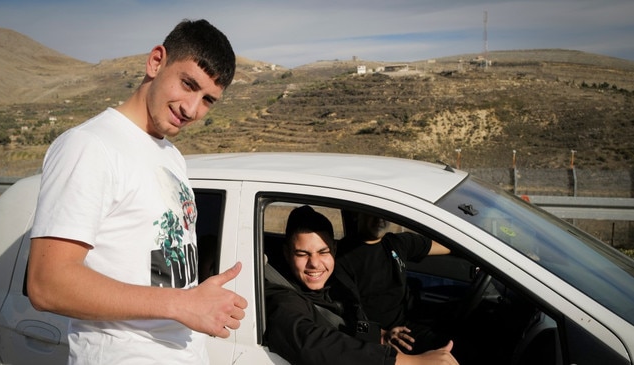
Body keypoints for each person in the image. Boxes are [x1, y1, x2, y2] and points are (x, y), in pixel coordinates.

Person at [26, 19, 247, 364]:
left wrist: (197, 299)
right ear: (156, 61)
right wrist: (183, 304)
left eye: (207, 100)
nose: (192, 109)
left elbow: (151, 264)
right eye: (188, 84)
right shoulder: (89, 146)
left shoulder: (170, 155)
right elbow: (46, 284)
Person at [265, 205, 458, 365]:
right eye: (302, 254)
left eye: (323, 252)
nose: (314, 263)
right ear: (286, 254)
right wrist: (408, 362)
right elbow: (311, 342)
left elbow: (347, 326)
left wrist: (381, 334)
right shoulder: (282, 296)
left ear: (334, 250)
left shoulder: (334, 286)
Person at [336, 212, 451, 354]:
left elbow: (450, 246)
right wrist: (381, 335)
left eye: (384, 213)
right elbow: (343, 318)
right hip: (377, 340)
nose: (380, 218)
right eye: (372, 212)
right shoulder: (340, 258)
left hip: (410, 324)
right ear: (357, 214)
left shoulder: (397, 243)